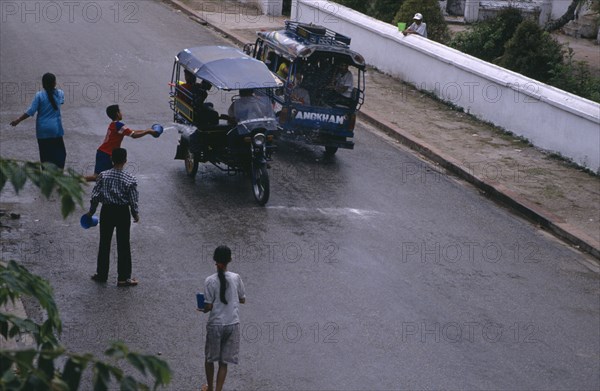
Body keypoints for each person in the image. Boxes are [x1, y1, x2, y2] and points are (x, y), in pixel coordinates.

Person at [87, 148, 140, 287]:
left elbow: (95, 196)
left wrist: (91, 213)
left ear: (111, 159)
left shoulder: (103, 176)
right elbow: (133, 200)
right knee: (123, 244)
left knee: (104, 242)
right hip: (122, 212)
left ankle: (101, 274)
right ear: (125, 161)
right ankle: (123, 278)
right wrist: (135, 214)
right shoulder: (130, 179)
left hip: (107, 211)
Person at [199, 245, 246, 391]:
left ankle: (210, 388)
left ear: (215, 260)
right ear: (230, 260)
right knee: (223, 362)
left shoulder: (209, 280)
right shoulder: (236, 278)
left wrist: (204, 308)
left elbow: (207, 307)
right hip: (232, 323)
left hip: (216, 325)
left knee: (209, 359)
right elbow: (242, 299)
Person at [84, 105, 157, 181]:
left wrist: (148, 130)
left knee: (108, 176)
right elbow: (134, 135)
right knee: (97, 177)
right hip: (106, 154)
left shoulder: (114, 124)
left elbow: (132, 131)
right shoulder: (119, 125)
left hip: (104, 152)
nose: (121, 113)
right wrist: (148, 131)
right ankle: (74, 180)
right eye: (120, 111)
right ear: (118, 114)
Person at [10, 73, 67, 169]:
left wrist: (18, 120)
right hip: (56, 130)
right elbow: (61, 101)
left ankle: (46, 176)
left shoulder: (39, 96)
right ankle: (58, 175)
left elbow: (31, 111)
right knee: (61, 154)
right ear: (54, 83)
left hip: (42, 131)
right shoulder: (60, 93)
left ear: (43, 84)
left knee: (45, 156)